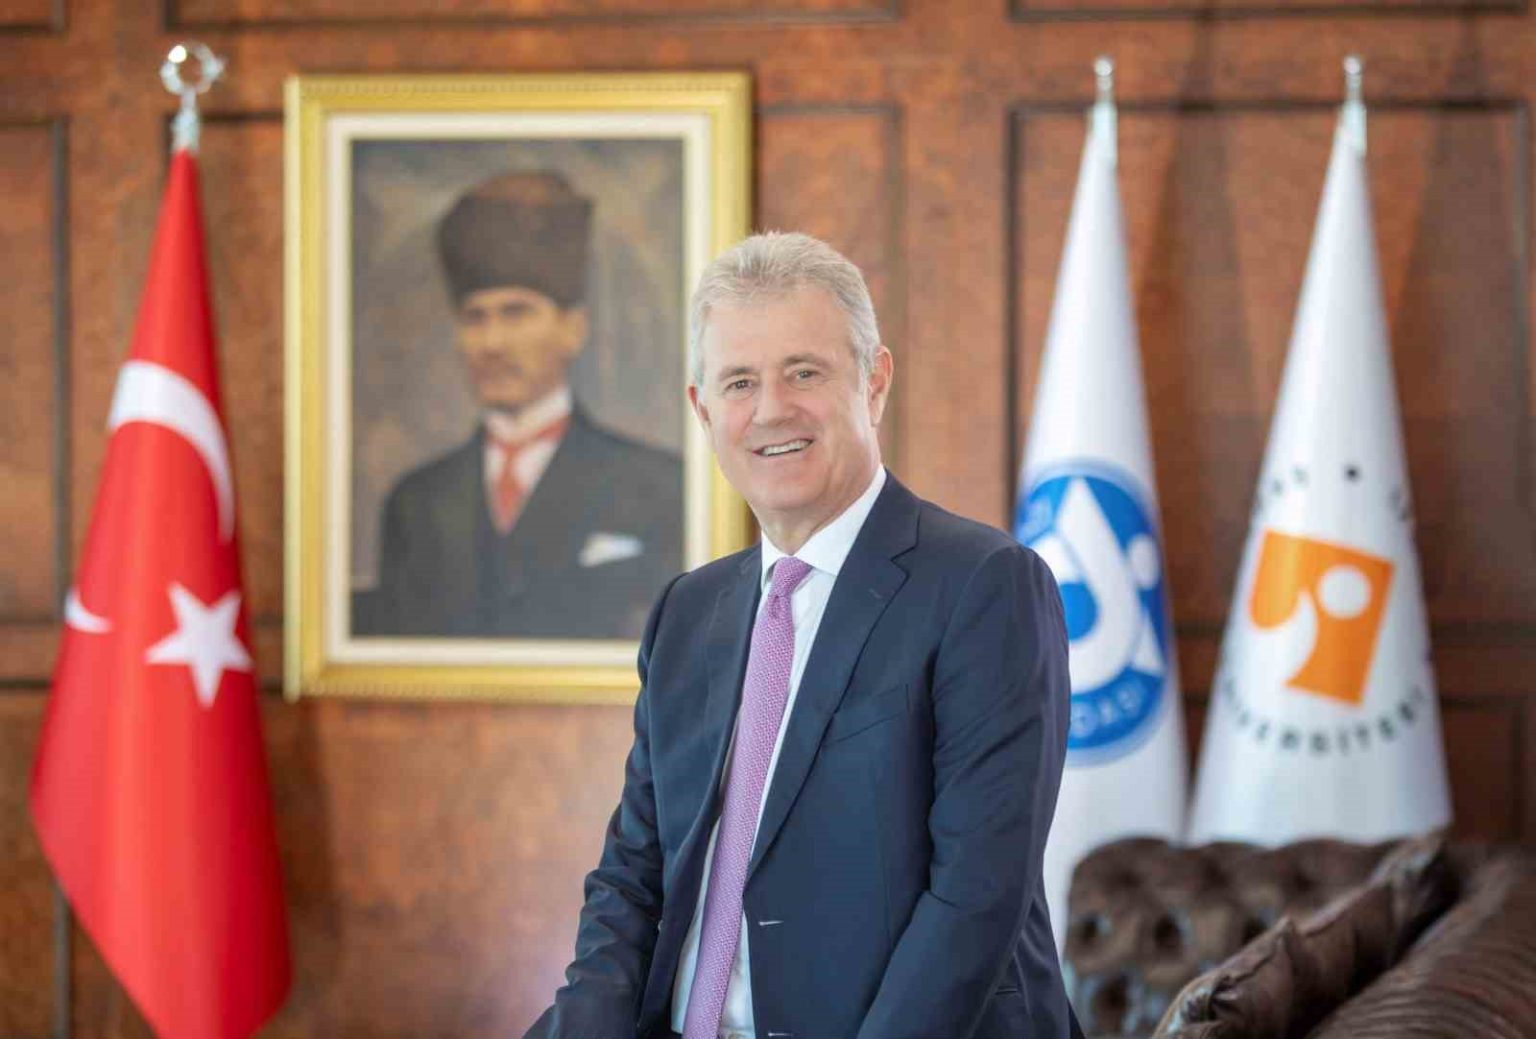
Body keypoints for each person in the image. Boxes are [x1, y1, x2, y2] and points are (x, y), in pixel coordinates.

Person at [527, 232, 1082, 1039]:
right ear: (703, 409)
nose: (771, 409)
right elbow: (633, 876)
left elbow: (975, 899)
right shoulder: (688, 612)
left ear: (874, 381)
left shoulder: (984, 585)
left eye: (804, 372)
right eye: (740, 382)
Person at [355, 170, 682, 640]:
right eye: (475, 317)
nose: (491, 343)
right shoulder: (416, 502)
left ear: (573, 329)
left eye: (516, 312)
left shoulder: (657, 487)